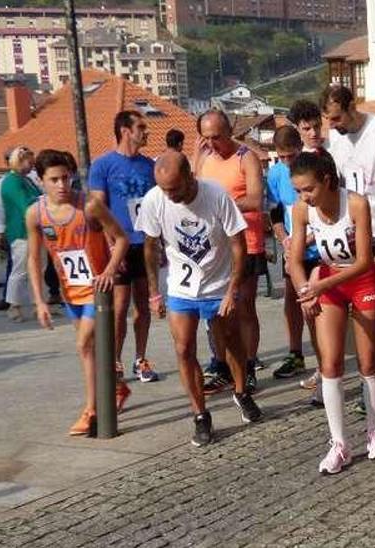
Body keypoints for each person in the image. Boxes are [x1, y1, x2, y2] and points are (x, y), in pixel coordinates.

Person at [141, 151, 263, 447]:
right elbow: (149, 246)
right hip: (182, 289)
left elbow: (238, 243)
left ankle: (241, 392)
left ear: (189, 178)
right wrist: (154, 292)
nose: (169, 196)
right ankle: (200, 415)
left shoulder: (216, 195)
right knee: (183, 348)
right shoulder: (154, 199)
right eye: (164, 189)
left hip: (218, 285)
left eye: (175, 189)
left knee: (232, 343)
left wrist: (233, 288)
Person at [285, 150, 375, 472]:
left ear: (327, 181)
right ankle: (339, 444)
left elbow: (362, 261)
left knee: (368, 362)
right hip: (329, 283)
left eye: (309, 189)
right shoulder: (302, 210)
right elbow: (295, 260)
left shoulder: (355, 203)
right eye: (299, 190)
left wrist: (319, 287)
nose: (305, 196)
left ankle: (374, 432)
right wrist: (307, 291)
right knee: (329, 363)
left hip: (361, 280)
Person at [25, 149, 130, 435]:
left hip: (97, 291)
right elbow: (34, 259)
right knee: (90, 350)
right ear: (41, 181)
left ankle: (91, 410)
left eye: (65, 178)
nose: (62, 185)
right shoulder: (35, 214)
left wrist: (109, 270)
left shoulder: (90, 206)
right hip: (70, 291)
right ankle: (117, 387)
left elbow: (121, 239)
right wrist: (40, 301)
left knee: (84, 344)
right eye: (54, 180)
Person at [322, 85, 375, 396]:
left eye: (336, 118)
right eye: (328, 120)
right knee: (362, 305)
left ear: (351, 107)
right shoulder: (335, 137)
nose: (332, 125)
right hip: (355, 230)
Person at [195, 109, 267, 392]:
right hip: (215, 246)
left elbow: (255, 198)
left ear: (229, 132)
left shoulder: (245, 157)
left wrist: (224, 207)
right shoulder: (205, 158)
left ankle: (249, 365)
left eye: (218, 137)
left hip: (246, 242)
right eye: (207, 137)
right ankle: (222, 364)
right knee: (215, 311)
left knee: (244, 307)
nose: (213, 143)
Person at [89, 110, 161, 382]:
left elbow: (156, 207)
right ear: (125, 131)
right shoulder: (103, 165)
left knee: (142, 305)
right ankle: (115, 361)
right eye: (141, 127)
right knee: (119, 307)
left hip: (145, 244)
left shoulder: (148, 166)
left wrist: (159, 245)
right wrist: (111, 247)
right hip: (119, 245)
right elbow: (98, 208)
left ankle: (140, 358)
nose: (146, 132)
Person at [265, 127, 319, 381]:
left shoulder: (313, 167)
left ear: (300, 147)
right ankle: (296, 353)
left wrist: (303, 240)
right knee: (292, 301)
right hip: (293, 249)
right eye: (282, 157)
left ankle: (324, 360)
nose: (287, 162)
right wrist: (284, 238)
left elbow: (324, 214)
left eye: (291, 156)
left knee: (316, 305)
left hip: (316, 248)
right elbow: (275, 213)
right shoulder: (276, 174)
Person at [0, 147, 41, 322]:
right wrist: (43, 200)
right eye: (30, 161)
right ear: (20, 161)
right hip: (21, 231)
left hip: (35, 230)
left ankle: (38, 303)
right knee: (20, 269)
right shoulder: (11, 182)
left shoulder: (26, 180)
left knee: (39, 268)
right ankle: (13, 305)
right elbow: (25, 204)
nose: (32, 165)